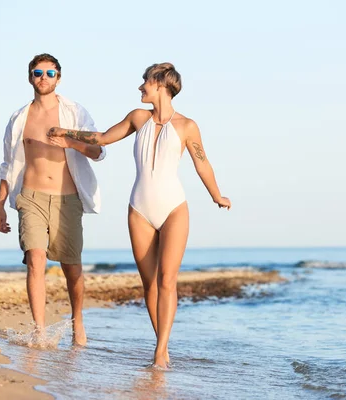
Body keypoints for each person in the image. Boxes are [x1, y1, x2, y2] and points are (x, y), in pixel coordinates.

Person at [47, 62, 231, 367]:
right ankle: (163, 345)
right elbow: (103, 137)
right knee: (149, 284)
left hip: (174, 208)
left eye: (144, 81)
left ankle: (160, 352)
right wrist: (68, 136)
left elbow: (202, 163)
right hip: (139, 210)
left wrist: (216, 195)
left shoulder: (187, 126)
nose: (140, 86)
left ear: (159, 83)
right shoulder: (137, 118)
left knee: (168, 281)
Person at [0, 53, 106, 346]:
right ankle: (39, 331)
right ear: (29, 77)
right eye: (37, 72)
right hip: (29, 196)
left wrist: (70, 141)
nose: (43, 78)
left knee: (72, 267)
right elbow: (7, 165)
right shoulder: (19, 118)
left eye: (49, 73)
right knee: (35, 259)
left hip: (66, 198)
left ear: (59, 77)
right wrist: (0, 206)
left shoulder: (74, 112)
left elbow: (99, 151)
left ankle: (77, 321)